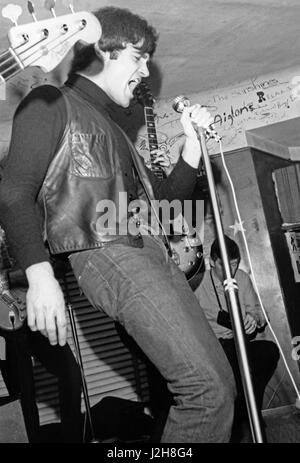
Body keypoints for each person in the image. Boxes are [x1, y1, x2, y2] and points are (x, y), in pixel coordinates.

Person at [0, 7, 236, 442]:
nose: (145, 71)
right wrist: (39, 273)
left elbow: (159, 211)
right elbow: (13, 191)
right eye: (138, 57)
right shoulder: (49, 102)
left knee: (219, 382)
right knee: (207, 390)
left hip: (149, 252)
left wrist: (189, 151)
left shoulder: (113, 128)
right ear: (104, 50)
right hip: (110, 254)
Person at [194, 235, 280, 441]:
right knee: (236, 371)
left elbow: (258, 310)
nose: (231, 270)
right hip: (215, 348)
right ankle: (249, 415)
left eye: (235, 264)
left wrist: (254, 318)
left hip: (240, 343)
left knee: (268, 351)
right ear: (212, 261)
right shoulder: (198, 284)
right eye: (226, 265)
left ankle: (244, 411)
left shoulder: (241, 277)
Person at [0, 246, 82, 442]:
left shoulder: (21, 218)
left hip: (32, 309)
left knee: (70, 373)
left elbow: (57, 265)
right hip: (3, 326)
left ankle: (72, 439)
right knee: (22, 397)